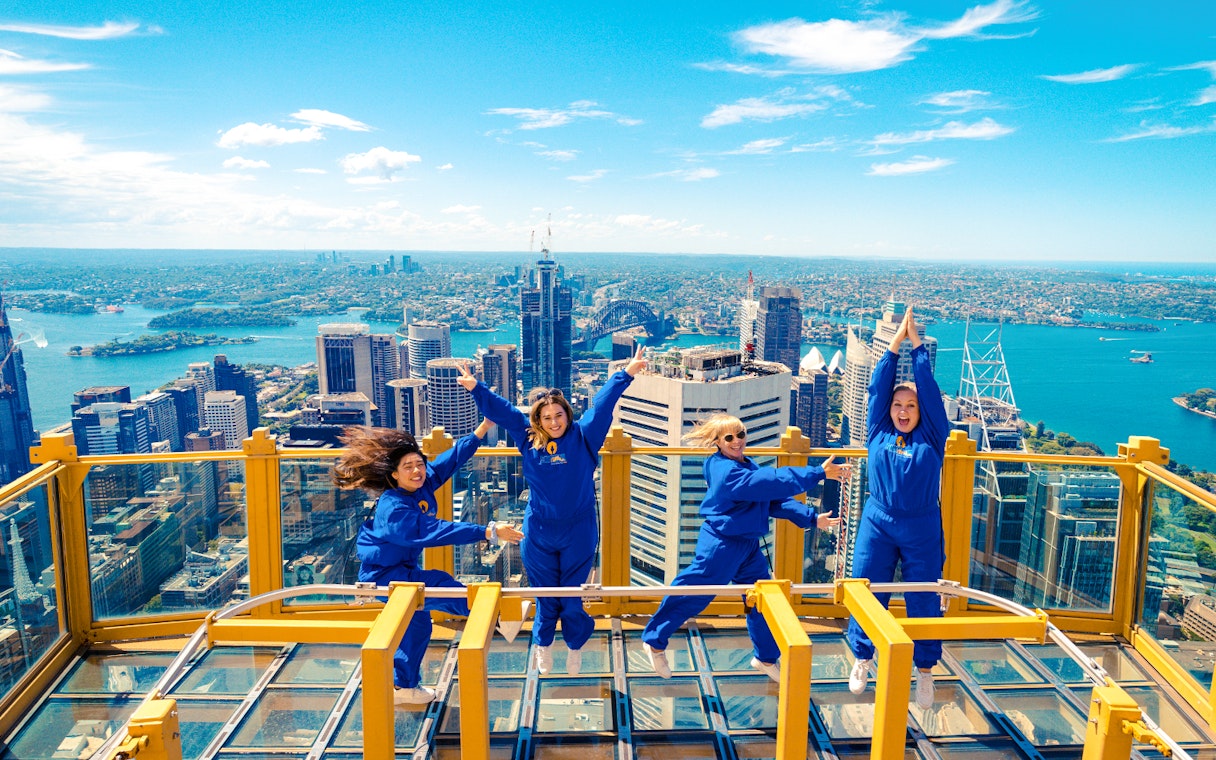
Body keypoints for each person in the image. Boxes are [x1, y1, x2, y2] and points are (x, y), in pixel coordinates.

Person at [457, 347, 647, 676]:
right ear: (538, 420)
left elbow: (602, 405)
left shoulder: (584, 436)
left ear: (567, 415)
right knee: (545, 594)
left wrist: (626, 373)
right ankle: (543, 646)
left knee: (572, 597)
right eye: (547, 417)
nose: (554, 422)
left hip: (579, 530)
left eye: (559, 415)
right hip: (539, 530)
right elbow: (503, 412)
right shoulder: (527, 437)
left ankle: (574, 648)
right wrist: (476, 387)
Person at [639, 413, 848, 681]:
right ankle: (655, 641)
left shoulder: (744, 465)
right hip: (721, 544)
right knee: (693, 592)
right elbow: (769, 483)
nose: (737, 441)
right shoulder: (725, 471)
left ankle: (765, 657)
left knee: (763, 599)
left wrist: (809, 516)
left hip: (747, 544)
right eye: (729, 437)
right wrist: (816, 473)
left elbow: (770, 499)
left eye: (741, 434)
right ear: (717, 442)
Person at [334, 421, 524, 705]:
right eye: (408, 467)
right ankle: (496, 616)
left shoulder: (421, 483)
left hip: (401, 569)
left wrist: (482, 429)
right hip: (381, 576)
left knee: (418, 624)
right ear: (394, 475)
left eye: (419, 464)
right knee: (437, 583)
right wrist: (487, 531)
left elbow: (453, 458)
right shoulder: (393, 508)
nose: (416, 471)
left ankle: (403, 688)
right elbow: (431, 531)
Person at [846, 306, 948, 710]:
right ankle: (862, 656)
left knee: (923, 594)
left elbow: (930, 389)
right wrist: (893, 347)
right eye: (897, 406)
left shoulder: (933, 434)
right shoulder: (878, 430)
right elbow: (877, 388)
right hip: (878, 519)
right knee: (867, 587)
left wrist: (916, 345)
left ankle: (924, 670)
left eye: (910, 406)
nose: (903, 411)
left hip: (921, 523)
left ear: (921, 412)